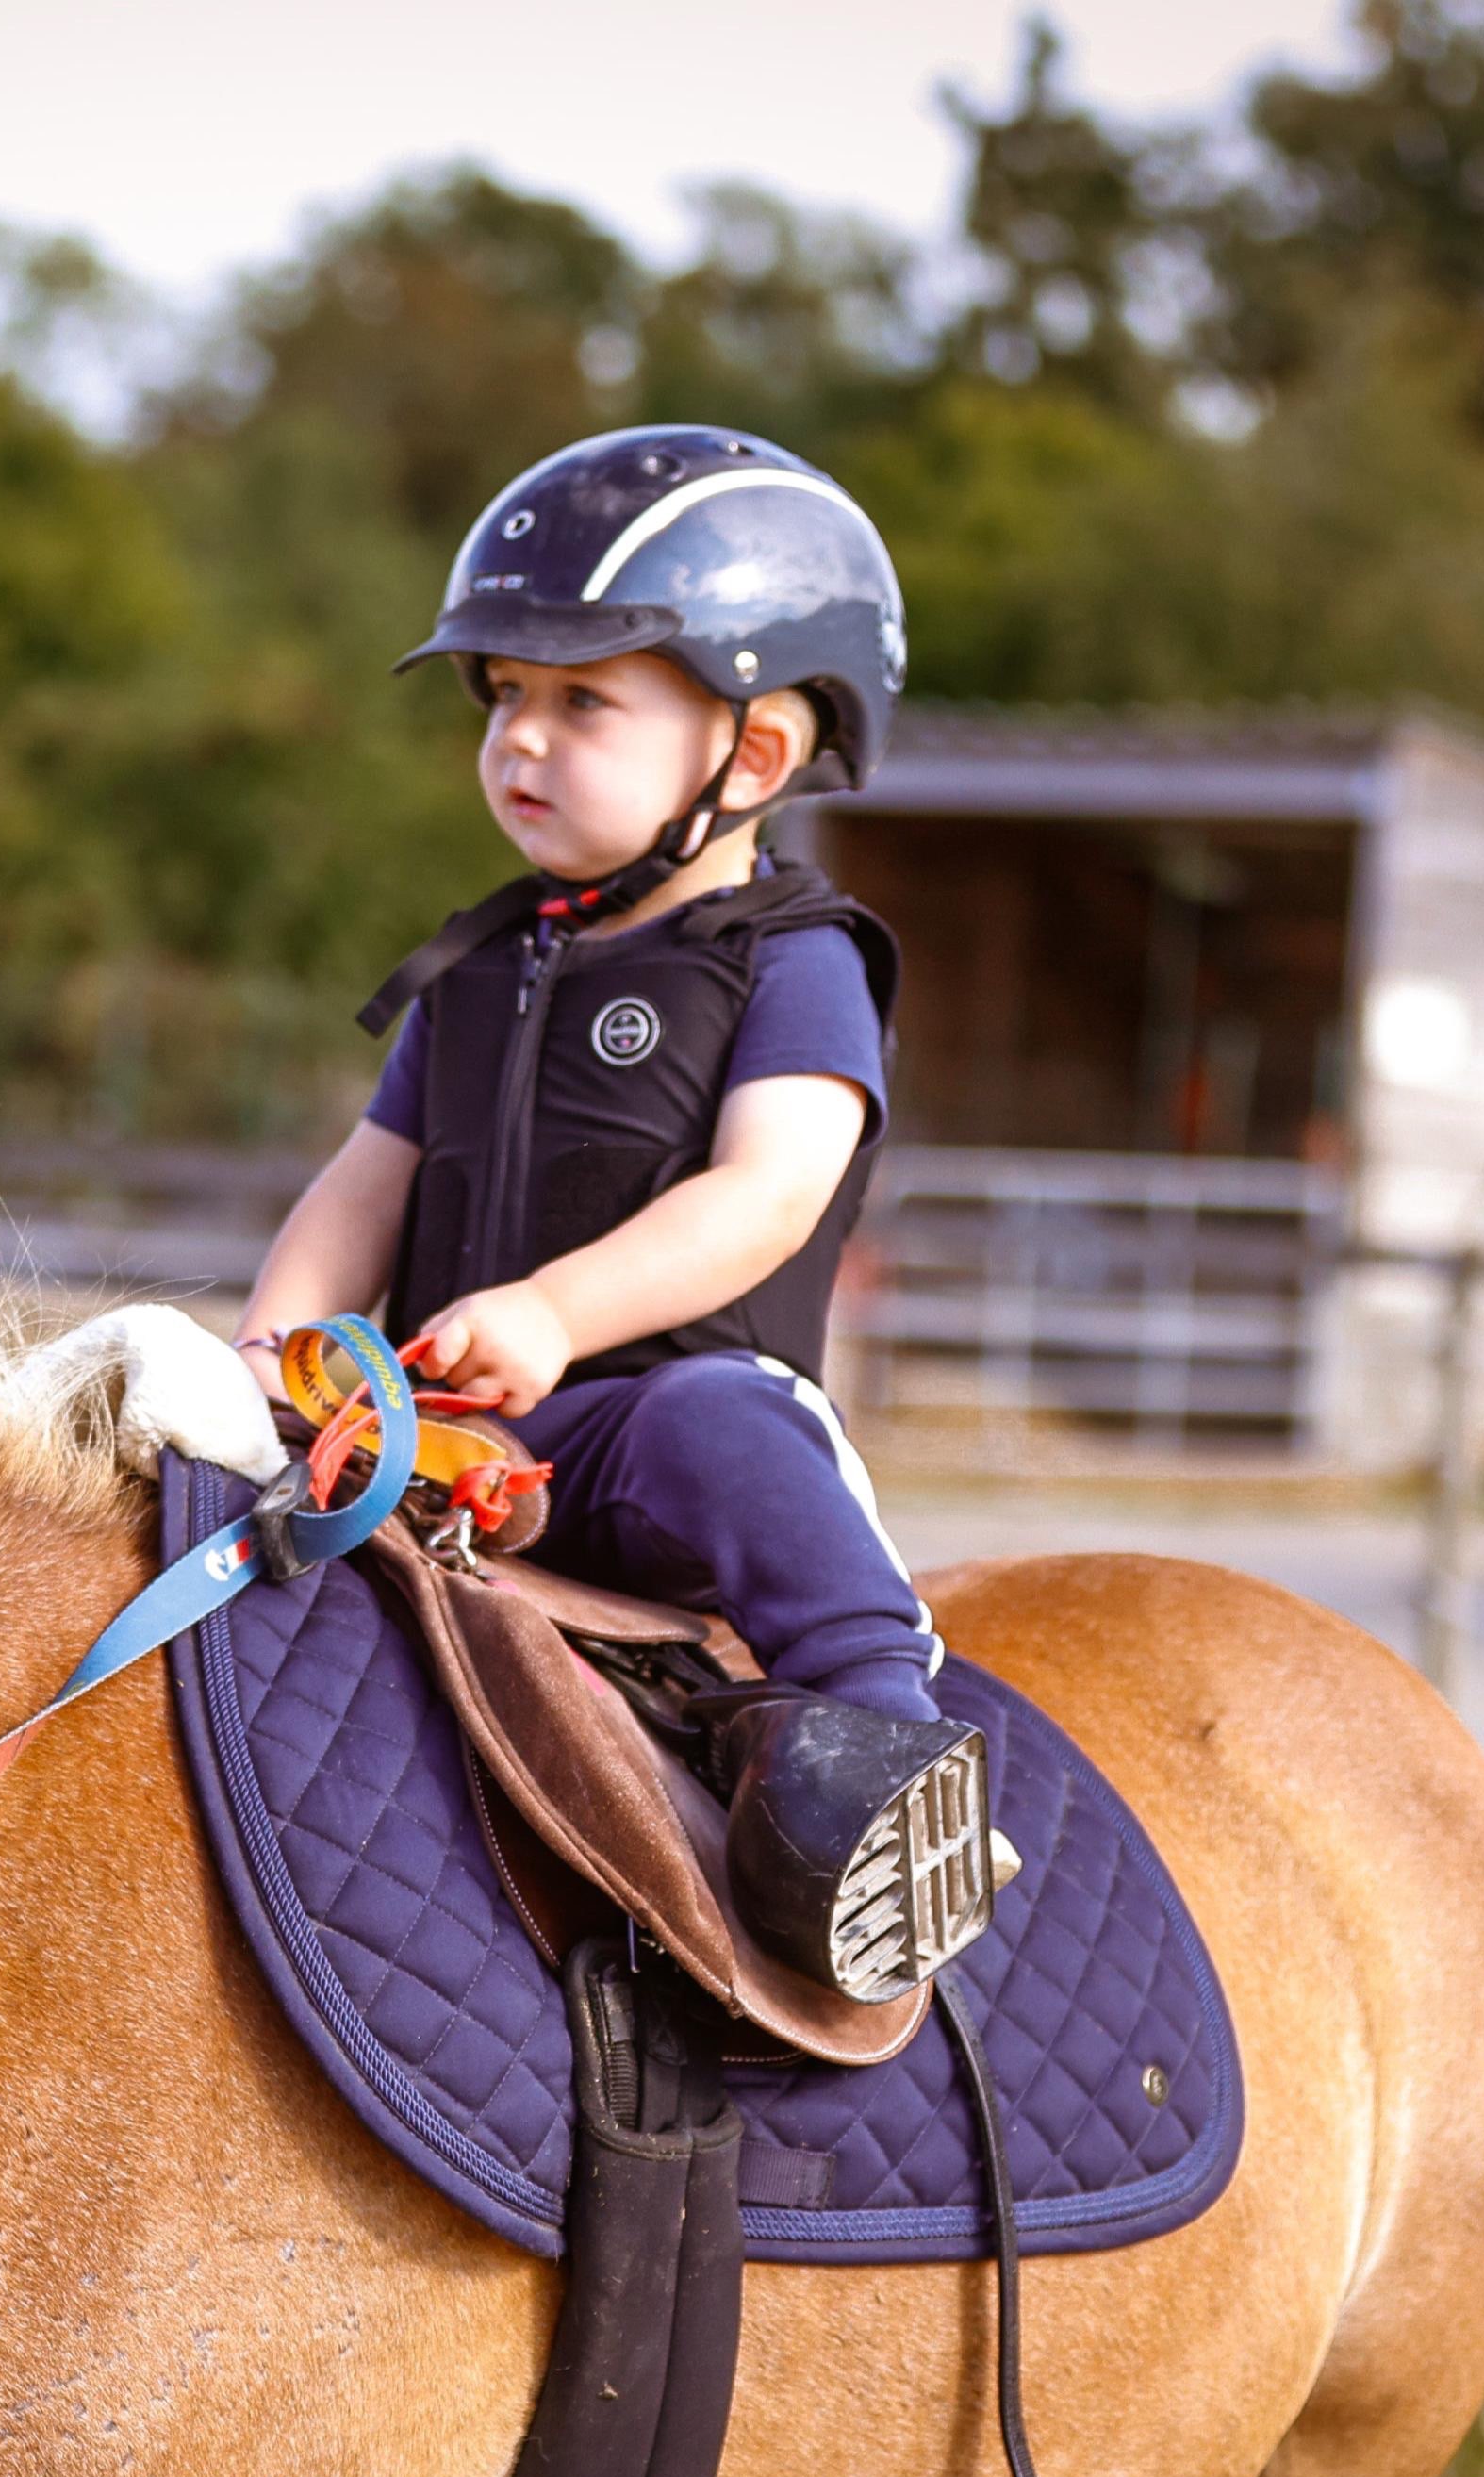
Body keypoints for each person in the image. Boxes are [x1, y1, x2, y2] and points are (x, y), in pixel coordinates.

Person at [234, 426, 996, 2003]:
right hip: (446, 1439)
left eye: (583, 699)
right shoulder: (475, 971)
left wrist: (558, 1315)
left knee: (721, 1424)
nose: (520, 738)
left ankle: (886, 1749)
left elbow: (768, 1194)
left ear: (758, 755)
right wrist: (272, 1348)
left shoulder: (795, 958)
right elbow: (361, 1185)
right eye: (503, 695)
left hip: (644, 1432)